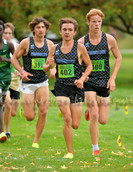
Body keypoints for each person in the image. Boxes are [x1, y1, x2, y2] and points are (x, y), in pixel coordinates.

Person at [43, 18, 92, 159]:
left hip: (76, 88)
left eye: (70, 29)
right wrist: (49, 66)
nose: (67, 32)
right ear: (60, 31)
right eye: (64, 29)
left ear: (74, 32)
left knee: (76, 124)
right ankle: (69, 151)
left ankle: (83, 111)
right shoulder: (54, 49)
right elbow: (45, 67)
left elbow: (89, 66)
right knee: (67, 119)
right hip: (61, 88)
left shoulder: (80, 48)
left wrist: (82, 79)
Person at [78, 9, 122, 155]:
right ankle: (95, 147)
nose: (97, 24)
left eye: (99, 22)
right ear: (88, 23)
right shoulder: (82, 42)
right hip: (89, 81)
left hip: (104, 81)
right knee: (95, 116)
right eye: (94, 22)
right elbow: (75, 62)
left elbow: (118, 57)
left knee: (102, 120)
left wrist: (113, 78)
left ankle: (89, 111)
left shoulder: (109, 39)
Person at [11, 17, 54, 148]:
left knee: (43, 112)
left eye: (43, 27)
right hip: (28, 83)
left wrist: (54, 69)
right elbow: (14, 59)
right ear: (33, 29)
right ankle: (26, 109)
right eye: (38, 28)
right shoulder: (26, 43)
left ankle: (36, 140)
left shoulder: (50, 44)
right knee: (30, 116)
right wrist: (22, 72)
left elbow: (54, 60)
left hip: (42, 82)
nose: (41, 30)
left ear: (46, 29)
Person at [3, 22, 21, 138]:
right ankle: (6, 130)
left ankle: (3, 107)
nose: (7, 35)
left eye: (9, 33)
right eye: (5, 33)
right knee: (8, 103)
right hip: (3, 77)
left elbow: (21, 60)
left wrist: (21, 70)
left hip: (15, 78)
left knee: (14, 112)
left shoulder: (17, 45)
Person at [0, 20, 15, 142]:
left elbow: (17, 61)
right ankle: (2, 132)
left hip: (8, 78)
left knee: (7, 105)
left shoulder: (9, 45)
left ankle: (6, 129)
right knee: (1, 103)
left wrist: (5, 59)